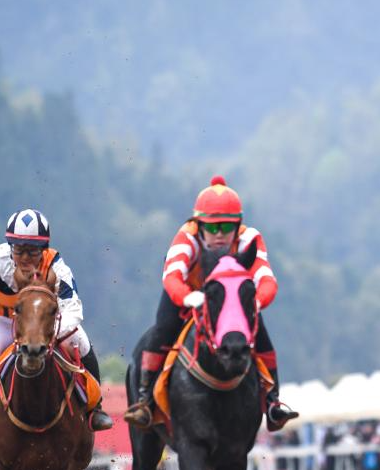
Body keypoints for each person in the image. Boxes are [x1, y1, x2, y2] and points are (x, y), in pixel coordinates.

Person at [123, 175, 297, 431]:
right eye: (212, 228)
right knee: (162, 330)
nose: (219, 235)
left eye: (226, 227)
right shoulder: (186, 237)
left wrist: (256, 303)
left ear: (238, 225)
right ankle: (145, 401)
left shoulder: (250, 239)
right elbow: (172, 277)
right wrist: (190, 297)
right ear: (198, 225)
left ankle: (273, 403)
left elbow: (267, 280)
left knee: (262, 338)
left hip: (233, 303)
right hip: (188, 295)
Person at [0, 208, 113, 438]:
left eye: (32, 251)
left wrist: (51, 332)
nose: (25, 258)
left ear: (44, 249)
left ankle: (95, 409)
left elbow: (72, 307)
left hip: (44, 322)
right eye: (19, 250)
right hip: (1, 320)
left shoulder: (56, 267)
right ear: (10, 246)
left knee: (79, 342)